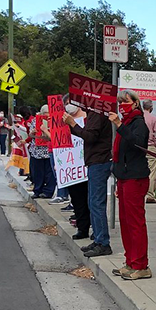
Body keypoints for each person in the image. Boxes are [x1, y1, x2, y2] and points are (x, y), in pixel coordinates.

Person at [109, 90, 152, 280]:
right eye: (119, 103)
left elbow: (138, 143)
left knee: (135, 222)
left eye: (125, 102)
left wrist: (119, 125)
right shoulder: (127, 122)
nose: (121, 106)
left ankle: (141, 265)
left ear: (135, 103)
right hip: (124, 176)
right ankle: (130, 261)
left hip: (135, 177)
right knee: (126, 222)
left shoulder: (138, 123)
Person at [67, 103, 114, 258]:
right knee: (92, 201)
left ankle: (103, 242)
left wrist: (72, 124)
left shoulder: (97, 113)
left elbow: (90, 136)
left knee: (96, 202)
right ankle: (99, 239)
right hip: (96, 161)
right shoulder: (96, 113)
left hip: (99, 161)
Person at [61, 103, 90, 241]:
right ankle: (82, 227)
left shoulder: (87, 119)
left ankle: (94, 227)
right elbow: (59, 141)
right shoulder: (63, 121)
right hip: (71, 168)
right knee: (77, 199)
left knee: (90, 199)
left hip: (87, 165)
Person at [29, 105, 56, 199]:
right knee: (37, 173)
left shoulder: (54, 120)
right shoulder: (35, 121)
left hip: (49, 150)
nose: (47, 115)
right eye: (45, 113)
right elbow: (30, 135)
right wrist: (33, 133)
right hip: (37, 151)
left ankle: (48, 191)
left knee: (50, 173)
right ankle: (37, 190)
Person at [142, 100, 156, 204]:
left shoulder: (139, 118)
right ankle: (149, 194)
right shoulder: (154, 119)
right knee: (152, 171)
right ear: (151, 107)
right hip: (151, 147)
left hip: (139, 147)